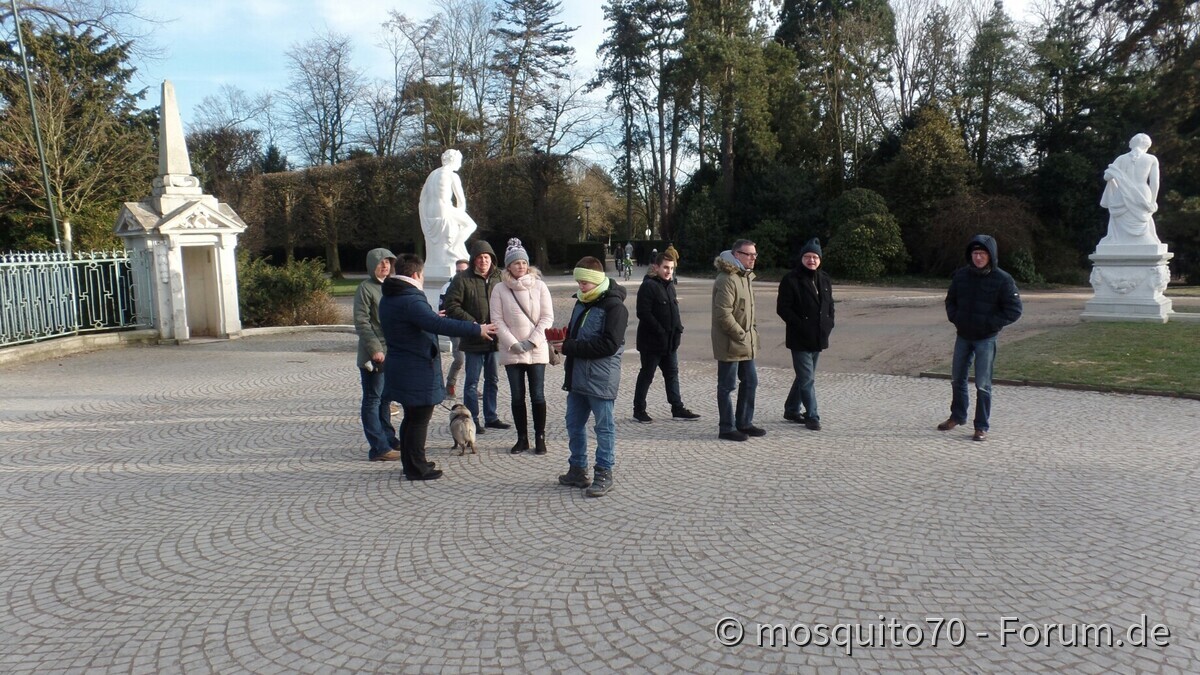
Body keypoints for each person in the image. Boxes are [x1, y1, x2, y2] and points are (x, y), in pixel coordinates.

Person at [380, 254, 496, 480]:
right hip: (415, 367)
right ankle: (417, 468)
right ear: (416, 274)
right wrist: (476, 329)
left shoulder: (393, 295)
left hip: (402, 365)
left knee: (411, 418)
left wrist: (428, 317)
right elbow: (437, 324)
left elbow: (418, 322)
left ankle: (412, 463)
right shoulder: (410, 298)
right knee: (418, 419)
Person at [551, 256, 628, 497]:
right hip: (577, 377)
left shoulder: (615, 307)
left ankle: (604, 472)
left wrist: (570, 347)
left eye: (585, 283)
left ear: (597, 280)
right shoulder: (581, 302)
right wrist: (561, 341)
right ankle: (577, 469)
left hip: (601, 378)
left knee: (604, 427)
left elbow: (609, 345)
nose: (581, 287)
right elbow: (576, 334)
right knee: (574, 423)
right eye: (579, 282)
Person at [939, 235, 1023, 442]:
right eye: (975, 253)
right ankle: (957, 416)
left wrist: (990, 324)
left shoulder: (1003, 280)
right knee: (957, 379)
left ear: (990, 256)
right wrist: (956, 318)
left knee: (983, 384)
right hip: (963, 335)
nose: (978, 258)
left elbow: (1014, 310)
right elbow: (951, 300)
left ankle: (981, 426)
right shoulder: (960, 276)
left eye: (982, 254)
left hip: (986, 338)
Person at [490, 238, 554, 455]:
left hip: (536, 348)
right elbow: (496, 320)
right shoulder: (499, 289)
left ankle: (540, 437)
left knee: (538, 395)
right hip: (512, 350)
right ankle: (522, 438)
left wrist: (531, 341)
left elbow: (547, 317)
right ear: (508, 266)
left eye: (524, 262)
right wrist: (513, 343)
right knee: (517, 396)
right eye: (516, 263)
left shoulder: (540, 286)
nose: (521, 266)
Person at [444, 240, 510, 434]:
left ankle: (491, 416)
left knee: (493, 379)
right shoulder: (462, 279)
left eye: (487, 257)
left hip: (495, 338)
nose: (483, 261)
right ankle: (473, 418)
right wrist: (474, 324)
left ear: (492, 259)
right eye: (480, 257)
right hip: (473, 337)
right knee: (472, 381)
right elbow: (452, 305)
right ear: (474, 260)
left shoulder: (500, 277)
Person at [633, 253, 700, 423]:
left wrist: (678, 329)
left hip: (670, 342)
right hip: (651, 343)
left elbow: (673, 311)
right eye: (665, 267)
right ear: (656, 267)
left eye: (671, 268)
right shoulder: (648, 286)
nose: (668, 271)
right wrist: (660, 331)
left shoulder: (670, 286)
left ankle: (677, 408)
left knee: (672, 375)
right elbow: (643, 313)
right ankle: (639, 410)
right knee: (647, 375)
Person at [777, 238, 835, 431]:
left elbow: (830, 305)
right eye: (808, 256)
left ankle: (792, 409)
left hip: (819, 337)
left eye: (815, 257)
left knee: (804, 377)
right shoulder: (791, 279)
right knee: (807, 378)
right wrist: (800, 325)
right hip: (800, 338)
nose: (811, 260)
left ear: (820, 260)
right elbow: (783, 308)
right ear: (801, 258)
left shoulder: (824, 278)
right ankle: (812, 415)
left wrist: (829, 324)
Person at [712, 239, 763, 442]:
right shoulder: (727, 278)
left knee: (750, 381)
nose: (753, 258)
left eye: (754, 255)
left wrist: (752, 333)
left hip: (745, 342)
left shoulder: (745, 277)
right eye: (749, 254)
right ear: (736, 255)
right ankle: (727, 427)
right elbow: (723, 314)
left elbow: (749, 311)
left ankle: (744, 422)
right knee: (726, 386)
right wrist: (741, 334)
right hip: (730, 342)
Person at [354, 248, 402, 461]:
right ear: (372, 265)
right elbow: (362, 322)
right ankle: (378, 447)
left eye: (388, 262)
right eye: (380, 262)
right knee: (373, 400)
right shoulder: (365, 288)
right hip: (375, 355)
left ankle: (389, 438)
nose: (385, 266)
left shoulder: (392, 287)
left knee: (386, 399)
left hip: (392, 352)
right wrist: (375, 350)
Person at [418, 149, 478, 278]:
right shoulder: (452, 175)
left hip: (429, 213)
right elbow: (461, 202)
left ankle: (455, 248)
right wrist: (459, 220)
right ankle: (454, 249)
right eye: (460, 161)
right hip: (445, 209)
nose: (460, 165)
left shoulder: (432, 174)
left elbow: (422, 198)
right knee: (471, 225)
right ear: (454, 160)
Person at [1099, 133, 1161, 246]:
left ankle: (1117, 242)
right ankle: (1144, 242)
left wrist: (1115, 173)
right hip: (1142, 192)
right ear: (1146, 146)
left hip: (1122, 193)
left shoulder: (1121, 159)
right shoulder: (1151, 159)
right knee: (1143, 218)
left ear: (1132, 144)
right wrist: (1153, 201)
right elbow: (1154, 183)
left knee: (1118, 219)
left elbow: (1107, 177)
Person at [438, 259, 471, 397]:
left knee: (472, 359)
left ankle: (471, 386)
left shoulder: (472, 285)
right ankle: (450, 384)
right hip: (454, 327)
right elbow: (442, 310)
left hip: (469, 326)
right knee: (460, 359)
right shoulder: (447, 287)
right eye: (458, 271)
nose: (460, 273)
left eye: (463, 271)